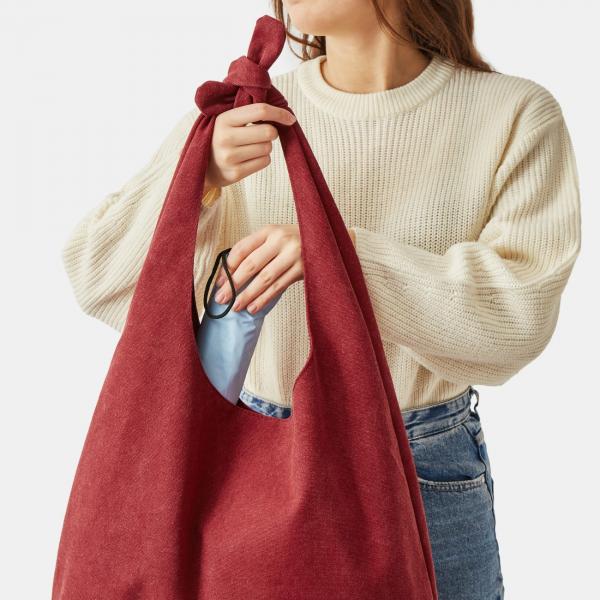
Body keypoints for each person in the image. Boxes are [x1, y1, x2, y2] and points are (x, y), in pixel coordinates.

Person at [60, 1, 581, 598]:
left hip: (422, 465)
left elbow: (516, 322)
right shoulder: (248, 117)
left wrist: (341, 257)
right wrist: (197, 176)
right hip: (248, 463)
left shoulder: (513, 115)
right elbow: (97, 274)